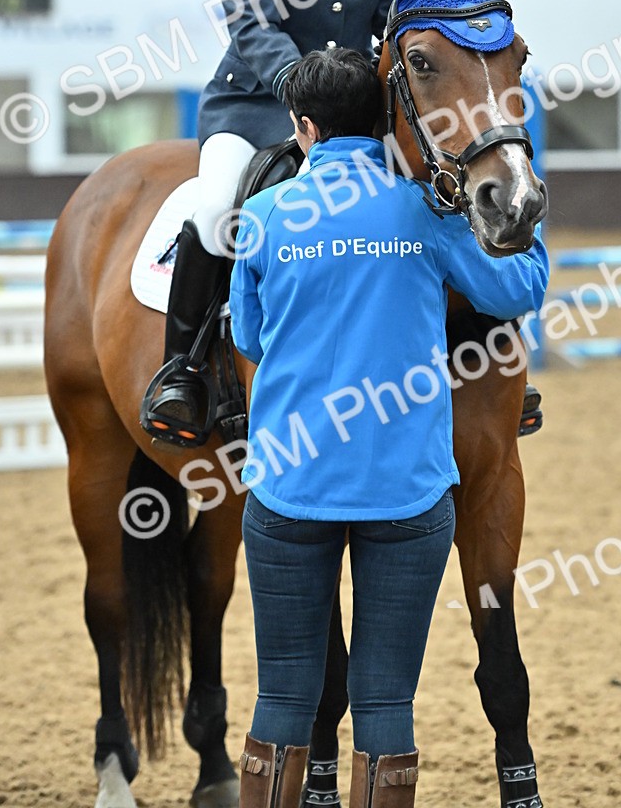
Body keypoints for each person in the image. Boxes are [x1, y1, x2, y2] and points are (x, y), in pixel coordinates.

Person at [228, 48, 549, 808]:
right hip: (406, 495)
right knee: (384, 703)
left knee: (282, 700)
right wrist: (528, 215)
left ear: (304, 129)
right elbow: (518, 287)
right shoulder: (419, 211)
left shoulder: (266, 214)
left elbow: (246, 335)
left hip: (290, 489)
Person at [141, 0, 412, 444]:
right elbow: (250, 16)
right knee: (218, 204)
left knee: (439, 187)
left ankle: (493, 356)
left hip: (361, 103)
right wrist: (304, 89)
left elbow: (395, 4)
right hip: (261, 98)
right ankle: (183, 372)